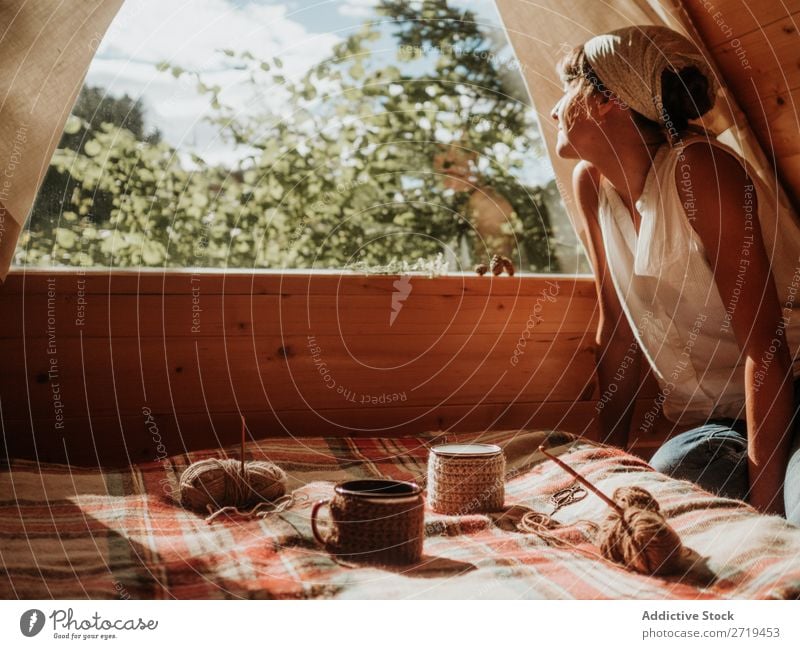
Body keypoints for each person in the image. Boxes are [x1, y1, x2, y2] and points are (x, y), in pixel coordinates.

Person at [551, 24, 800, 523]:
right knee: (674, 469)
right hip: (715, 423)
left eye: (569, 87)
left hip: (791, 394)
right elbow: (618, 333)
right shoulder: (590, 184)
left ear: (606, 100)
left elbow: (765, 350)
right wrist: (608, 468)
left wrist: (766, 521)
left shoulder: (702, 171)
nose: (557, 107)